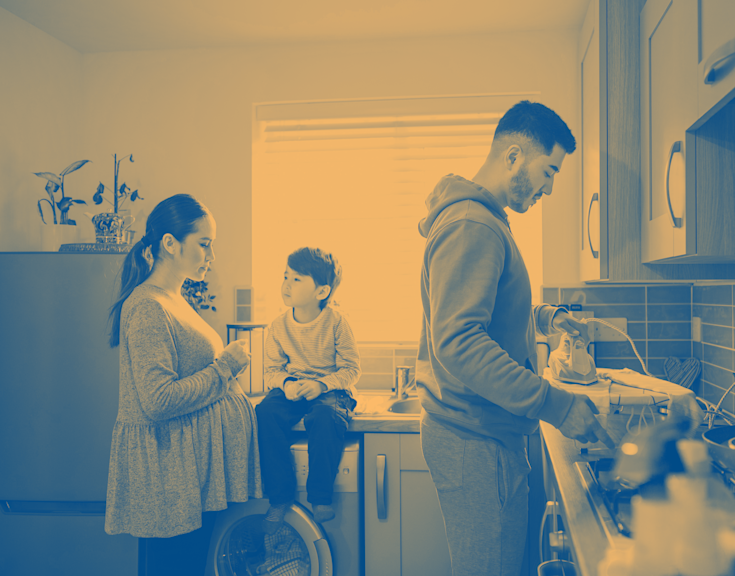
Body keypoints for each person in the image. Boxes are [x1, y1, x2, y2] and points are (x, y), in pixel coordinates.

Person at [416, 100, 614, 576]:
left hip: (481, 433)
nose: (549, 187)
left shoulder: (483, 222)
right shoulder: (473, 224)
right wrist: (557, 405)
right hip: (475, 438)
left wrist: (544, 318)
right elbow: (460, 341)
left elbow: (482, 312)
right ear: (512, 155)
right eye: (548, 171)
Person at [104, 194, 262, 575]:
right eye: (203, 244)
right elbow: (158, 399)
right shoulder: (147, 306)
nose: (211, 255)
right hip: (167, 477)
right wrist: (225, 368)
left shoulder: (174, 299)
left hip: (186, 473)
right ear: (170, 244)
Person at [255, 247, 361, 533]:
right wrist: (287, 384)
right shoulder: (278, 326)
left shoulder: (337, 322)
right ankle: (279, 498)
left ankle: (320, 498)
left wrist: (322, 384)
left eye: (297, 279)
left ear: (322, 291)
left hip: (328, 388)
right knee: (265, 412)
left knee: (325, 417)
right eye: (286, 276)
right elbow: (271, 371)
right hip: (293, 388)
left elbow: (351, 370)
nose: (286, 284)